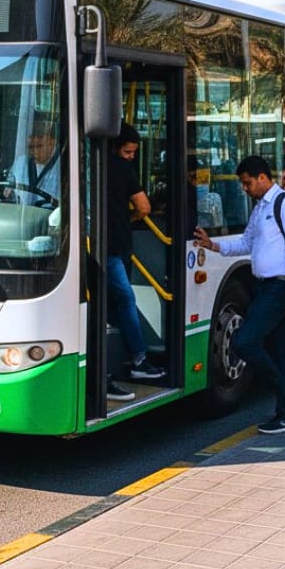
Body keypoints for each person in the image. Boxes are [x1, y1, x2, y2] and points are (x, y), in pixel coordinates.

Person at [194, 154, 285, 434]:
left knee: (244, 342)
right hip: (264, 286)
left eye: (247, 183)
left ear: (262, 178)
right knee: (278, 350)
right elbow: (246, 242)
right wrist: (214, 246)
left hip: (279, 286)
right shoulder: (260, 208)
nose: (244, 189)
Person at [106, 122, 164, 401]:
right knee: (126, 300)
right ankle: (140, 359)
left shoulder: (90, 167)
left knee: (113, 302)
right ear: (117, 147)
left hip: (100, 246)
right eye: (128, 151)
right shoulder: (122, 170)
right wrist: (127, 220)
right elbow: (144, 208)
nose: (131, 156)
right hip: (115, 248)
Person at [6, 120, 60, 207]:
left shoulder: (66, 165)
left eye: (39, 146)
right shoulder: (20, 163)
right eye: (31, 147)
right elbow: (9, 187)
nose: (34, 151)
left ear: (52, 142)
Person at [189, 156, 225, 231]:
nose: (202, 184)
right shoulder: (184, 201)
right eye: (194, 178)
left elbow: (220, 229)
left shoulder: (214, 199)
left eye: (205, 179)